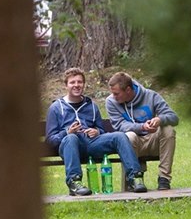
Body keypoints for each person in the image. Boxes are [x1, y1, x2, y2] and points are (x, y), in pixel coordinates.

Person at [45, 68, 147, 196]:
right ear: (66, 85)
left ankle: (135, 178)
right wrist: (67, 132)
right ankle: (74, 182)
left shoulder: (91, 105)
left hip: (91, 144)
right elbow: (50, 140)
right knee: (72, 138)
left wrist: (97, 131)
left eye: (80, 82)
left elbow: (101, 130)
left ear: (84, 84)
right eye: (72, 82)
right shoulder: (56, 108)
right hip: (70, 147)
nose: (76, 85)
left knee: (120, 136)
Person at [106, 72, 179, 190]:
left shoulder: (151, 96)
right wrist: (142, 127)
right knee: (128, 136)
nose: (113, 96)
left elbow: (174, 118)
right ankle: (135, 179)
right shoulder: (111, 102)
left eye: (116, 93)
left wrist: (159, 119)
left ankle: (164, 179)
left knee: (168, 130)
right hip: (133, 143)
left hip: (153, 141)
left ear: (128, 90)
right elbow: (120, 126)